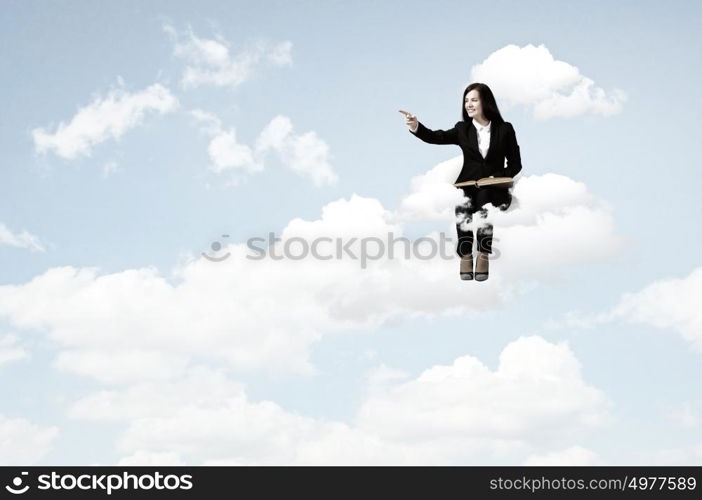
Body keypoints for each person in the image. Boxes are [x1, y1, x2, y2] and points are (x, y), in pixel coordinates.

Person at [400, 82, 522, 281]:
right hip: (466, 185)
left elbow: (516, 163)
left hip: (493, 187)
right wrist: (415, 126)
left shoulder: (505, 129)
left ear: (486, 102)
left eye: (474, 100)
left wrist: (497, 178)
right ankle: (465, 254)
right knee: (462, 204)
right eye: (466, 101)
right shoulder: (462, 129)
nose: (469, 104)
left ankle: (483, 254)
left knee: (484, 201)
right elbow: (435, 137)